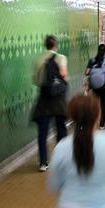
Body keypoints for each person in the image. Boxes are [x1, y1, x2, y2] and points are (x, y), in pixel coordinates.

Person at [32, 35, 69, 172]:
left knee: (43, 133)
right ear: (56, 45)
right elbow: (64, 75)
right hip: (58, 100)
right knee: (61, 130)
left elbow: (35, 81)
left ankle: (43, 163)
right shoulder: (61, 58)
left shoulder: (38, 60)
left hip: (44, 99)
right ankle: (62, 161)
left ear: (45, 45)